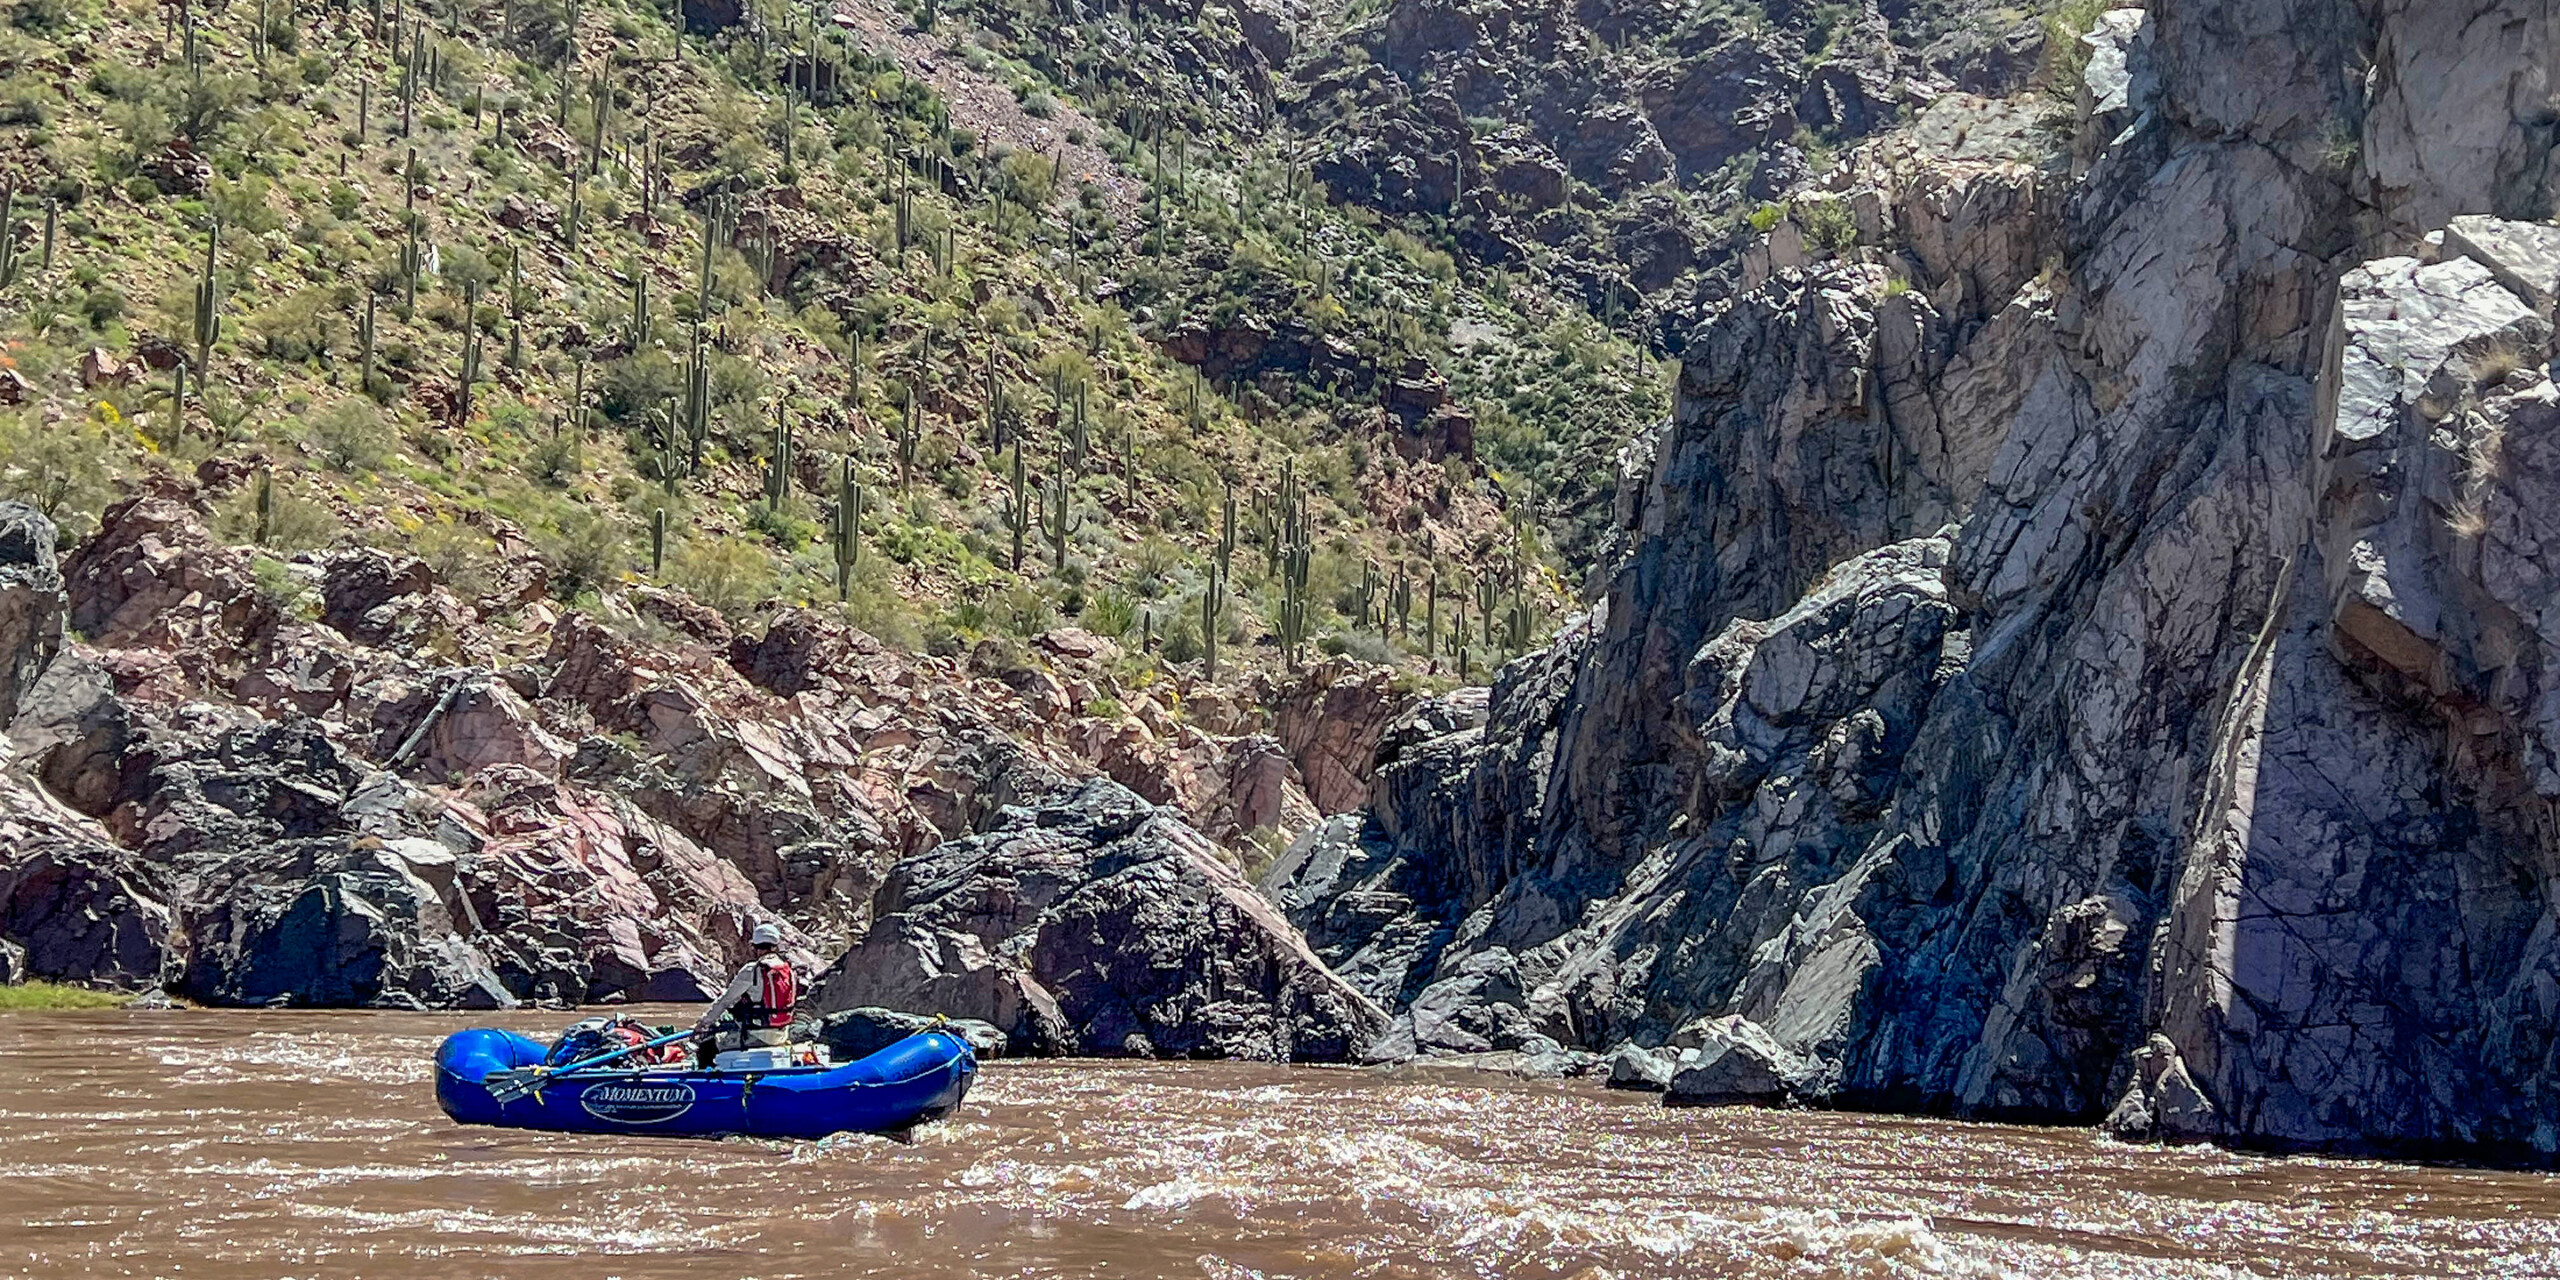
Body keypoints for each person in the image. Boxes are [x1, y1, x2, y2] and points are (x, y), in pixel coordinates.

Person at [694, 922, 798, 1063]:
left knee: (707, 1046)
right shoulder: (788, 970)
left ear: (754, 947)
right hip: (782, 1034)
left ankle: (708, 1075)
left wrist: (703, 1023)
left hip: (757, 1035)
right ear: (775, 945)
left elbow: (726, 1000)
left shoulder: (752, 970)